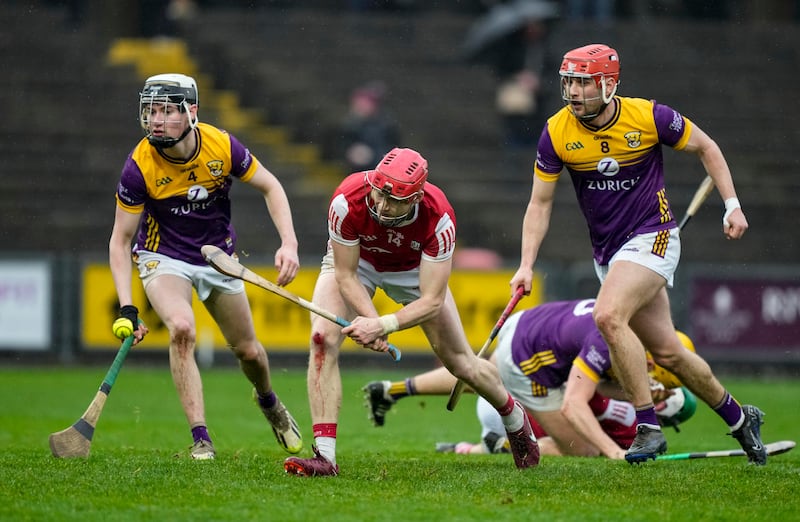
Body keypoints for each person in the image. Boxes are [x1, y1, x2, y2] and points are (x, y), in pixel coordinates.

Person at [508, 44, 766, 464]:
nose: (573, 91)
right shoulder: (556, 132)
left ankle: (647, 425)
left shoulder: (649, 116)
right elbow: (539, 204)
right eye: (568, 81)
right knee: (668, 353)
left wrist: (732, 204)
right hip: (609, 252)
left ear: (609, 84)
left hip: (654, 235)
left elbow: (707, 148)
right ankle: (740, 418)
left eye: (583, 83)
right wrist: (525, 264)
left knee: (607, 316)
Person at [283, 147, 540, 477]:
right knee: (321, 338)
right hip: (359, 263)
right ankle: (325, 458)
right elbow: (345, 274)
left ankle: (514, 418)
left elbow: (432, 300)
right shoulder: (346, 200)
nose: (382, 206)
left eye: (395, 202)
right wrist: (373, 321)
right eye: (379, 195)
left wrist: (384, 324)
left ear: (416, 197)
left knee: (461, 364)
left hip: (414, 272)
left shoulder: (439, 218)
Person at [109, 73, 303, 460]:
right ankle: (201, 438)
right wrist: (128, 306)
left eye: (166, 110)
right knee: (181, 329)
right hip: (163, 257)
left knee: (249, 353)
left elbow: (271, 186)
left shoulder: (220, 145)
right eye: (150, 110)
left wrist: (289, 243)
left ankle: (269, 403)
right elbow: (119, 240)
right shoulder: (139, 166)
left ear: (191, 111)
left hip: (218, 258)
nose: (156, 120)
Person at [363, 299, 697, 460]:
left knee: (477, 370)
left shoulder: (623, 316)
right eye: (663, 384)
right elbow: (573, 405)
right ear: (652, 364)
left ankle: (396, 389)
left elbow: (594, 384)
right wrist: (613, 452)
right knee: (583, 449)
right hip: (526, 362)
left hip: (527, 324)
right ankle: (498, 445)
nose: (658, 389)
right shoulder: (610, 343)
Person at [338, 81, 401, 173]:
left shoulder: (386, 124)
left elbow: (393, 149)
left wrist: (371, 157)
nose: (361, 107)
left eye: (364, 104)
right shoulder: (349, 125)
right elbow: (341, 147)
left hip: (379, 171)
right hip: (357, 172)